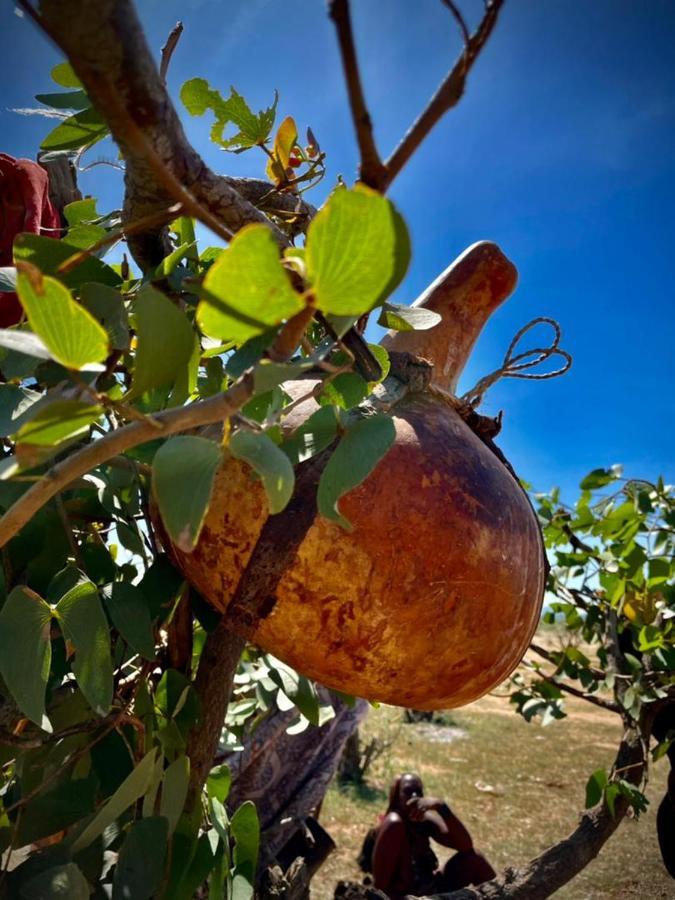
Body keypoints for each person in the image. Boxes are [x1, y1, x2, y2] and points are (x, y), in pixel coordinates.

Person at [371, 773, 495, 898]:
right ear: (397, 797)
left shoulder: (423, 820)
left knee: (474, 859)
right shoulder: (394, 823)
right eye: (408, 791)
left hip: (431, 890)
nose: (414, 796)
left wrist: (441, 807)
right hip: (407, 897)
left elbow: (465, 845)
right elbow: (380, 886)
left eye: (418, 792)